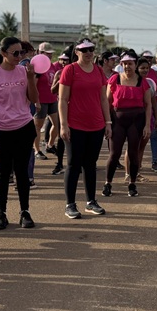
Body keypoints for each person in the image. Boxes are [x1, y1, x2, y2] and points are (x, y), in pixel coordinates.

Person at [0, 37, 39, 229]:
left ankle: (25, 211)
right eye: (15, 53)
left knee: (22, 172)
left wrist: (31, 78)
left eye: (22, 52)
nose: (20, 56)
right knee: (3, 174)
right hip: (1, 129)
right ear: (3, 53)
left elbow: (34, 99)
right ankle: (1, 213)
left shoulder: (24, 71)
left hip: (24, 127)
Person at [59, 38, 112, 218]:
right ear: (77, 52)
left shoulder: (98, 70)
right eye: (84, 50)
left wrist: (108, 122)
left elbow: (103, 99)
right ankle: (70, 204)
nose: (89, 52)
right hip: (75, 125)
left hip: (96, 125)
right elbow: (62, 100)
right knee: (73, 165)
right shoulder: (70, 70)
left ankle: (91, 201)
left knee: (90, 164)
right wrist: (64, 125)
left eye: (91, 49)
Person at [103, 52, 153, 197]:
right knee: (114, 153)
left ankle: (132, 183)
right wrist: (107, 123)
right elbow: (107, 103)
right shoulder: (114, 79)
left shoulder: (142, 82)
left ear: (135, 64)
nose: (127, 66)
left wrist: (147, 125)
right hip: (117, 120)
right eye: (124, 63)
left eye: (130, 63)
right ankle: (108, 183)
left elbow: (148, 104)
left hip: (136, 120)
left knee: (133, 153)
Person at [33, 42, 60, 161]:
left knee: (57, 123)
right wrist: (36, 101)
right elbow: (33, 85)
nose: (49, 56)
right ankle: (37, 150)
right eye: (47, 53)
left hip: (52, 99)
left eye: (51, 54)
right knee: (38, 127)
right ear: (41, 53)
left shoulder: (52, 66)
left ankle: (49, 145)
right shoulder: (37, 67)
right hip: (41, 100)